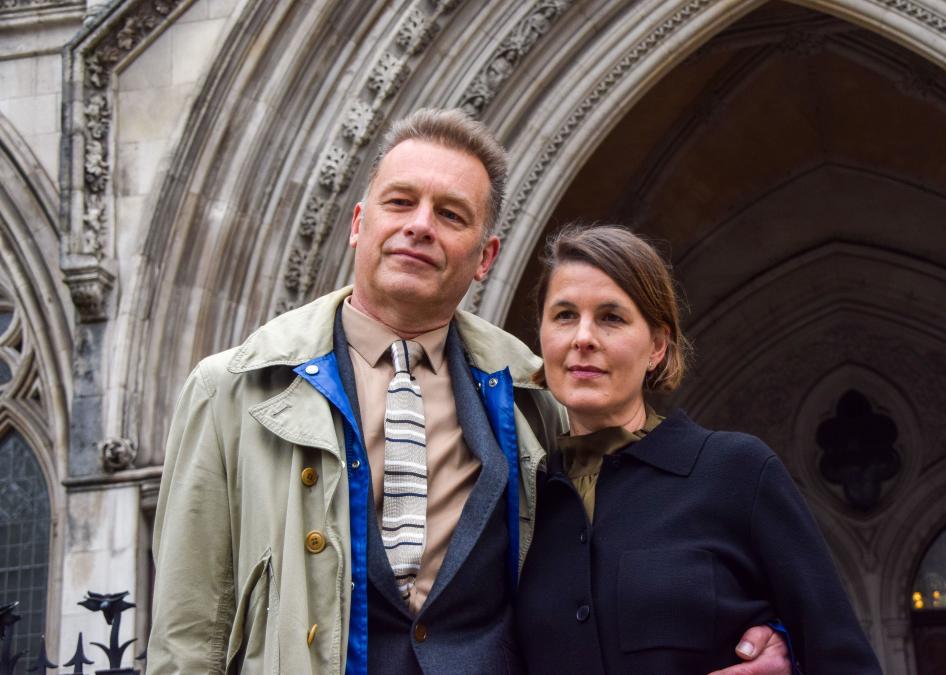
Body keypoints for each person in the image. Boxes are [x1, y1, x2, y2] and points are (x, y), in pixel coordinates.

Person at [147, 110, 793, 674]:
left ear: (485, 258)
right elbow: (189, 631)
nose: (420, 226)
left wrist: (773, 634)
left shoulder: (536, 394)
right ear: (358, 222)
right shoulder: (232, 391)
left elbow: (654, 529)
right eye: (400, 202)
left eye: (450, 214)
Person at [515, 224, 883, 674]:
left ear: (657, 346)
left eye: (611, 317)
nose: (583, 337)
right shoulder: (522, 501)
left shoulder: (737, 472)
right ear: (542, 337)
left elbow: (841, 659)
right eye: (565, 315)